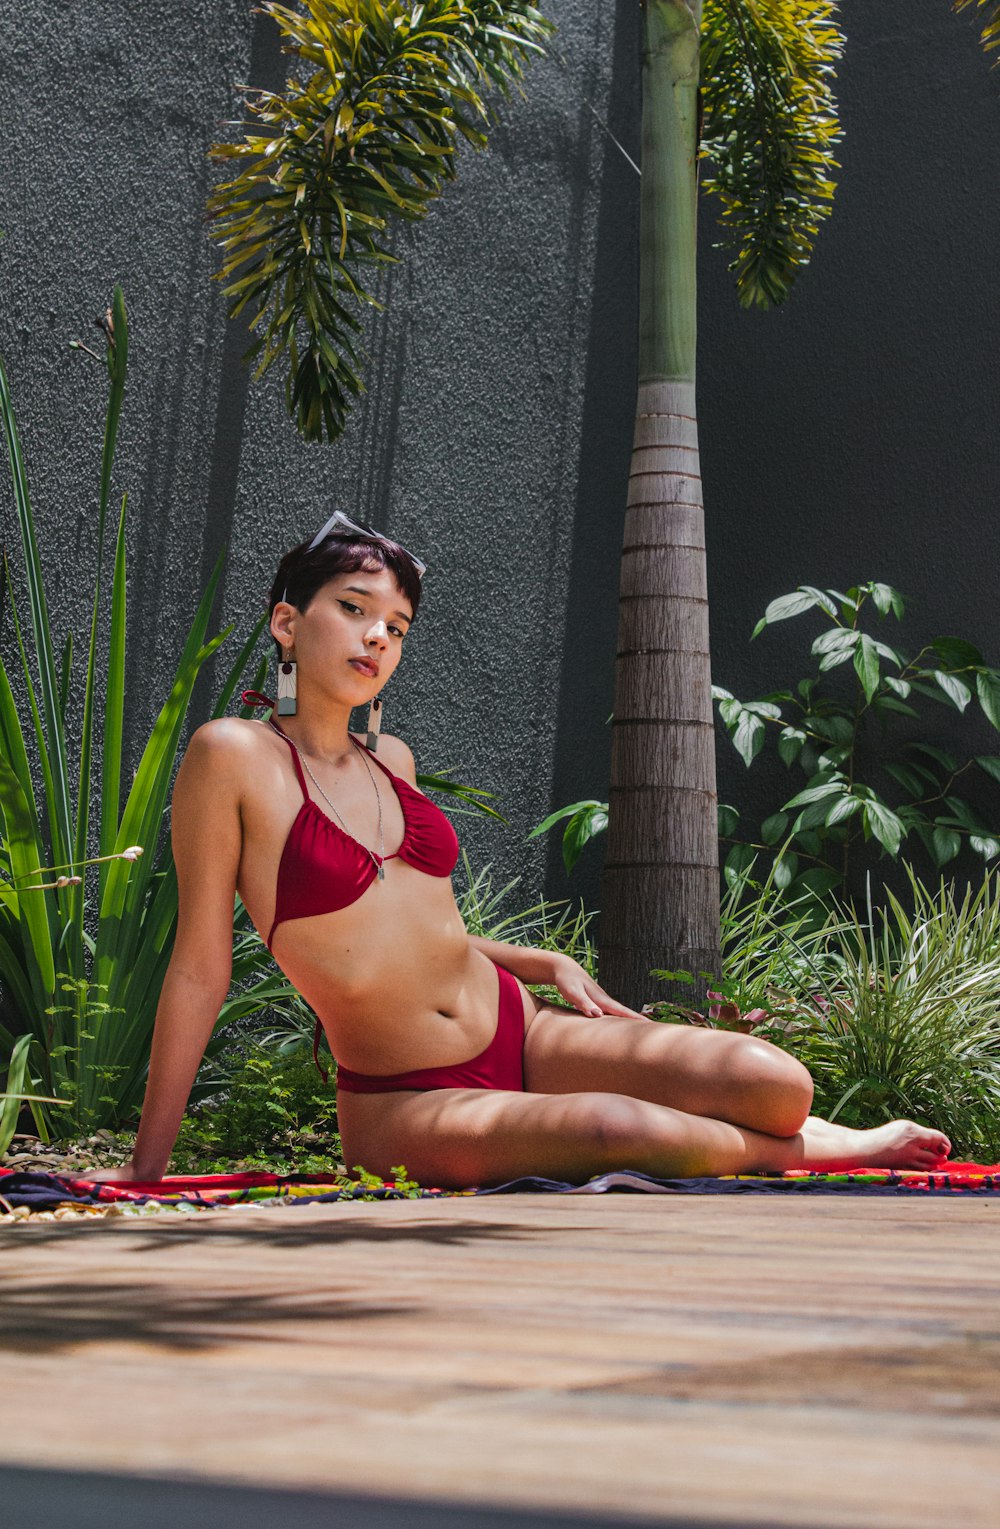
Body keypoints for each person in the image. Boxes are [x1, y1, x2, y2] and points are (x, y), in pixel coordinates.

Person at [103, 516, 951, 1187]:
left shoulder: (388, 761)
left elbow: (415, 936)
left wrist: (539, 960)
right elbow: (198, 966)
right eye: (354, 609)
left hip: (519, 1029)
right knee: (616, 1128)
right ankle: (823, 1152)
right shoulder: (233, 756)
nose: (376, 639)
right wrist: (149, 1165)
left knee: (772, 1079)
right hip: (406, 1097)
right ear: (288, 621)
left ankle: (802, 1127)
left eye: (396, 626)